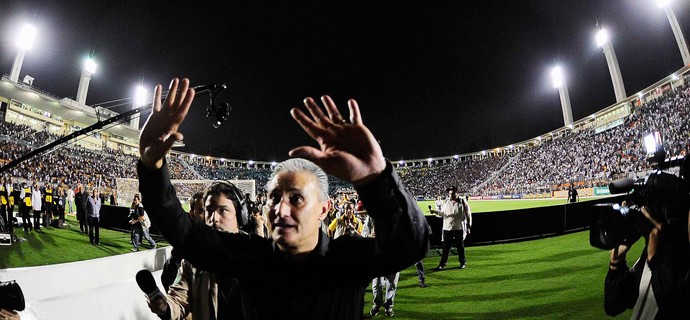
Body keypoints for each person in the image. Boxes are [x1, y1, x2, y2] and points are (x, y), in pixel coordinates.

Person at [137, 78, 428, 319]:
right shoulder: (250, 255)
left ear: (324, 209)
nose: (280, 209)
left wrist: (376, 178)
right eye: (273, 197)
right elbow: (184, 233)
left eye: (297, 198)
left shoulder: (347, 258)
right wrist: (152, 168)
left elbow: (409, 246)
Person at [147, 181, 246, 319]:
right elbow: (178, 299)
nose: (214, 218)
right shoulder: (192, 259)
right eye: (209, 211)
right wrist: (165, 307)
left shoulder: (257, 254)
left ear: (241, 216)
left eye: (222, 210)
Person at [604, 203, 690, 319]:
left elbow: (672, 307)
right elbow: (613, 305)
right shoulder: (653, 253)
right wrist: (616, 264)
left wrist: (655, 259)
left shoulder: (662, 256)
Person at [161, 191, 205, 291]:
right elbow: (169, 278)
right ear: (192, 214)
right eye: (202, 211)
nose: (209, 216)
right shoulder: (184, 242)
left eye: (211, 209)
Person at [430, 185, 472, 270]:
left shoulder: (463, 202)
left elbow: (468, 215)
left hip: (458, 227)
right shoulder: (446, 202)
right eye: (449, 194)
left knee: (460, 246)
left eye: (452, 193)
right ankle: (442, 264)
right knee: (446, 247)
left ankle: (462, 262)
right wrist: (434, 212)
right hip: (447, 227)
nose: (451, 195)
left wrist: (469, 226)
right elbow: (443, 213)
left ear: (457, 193)